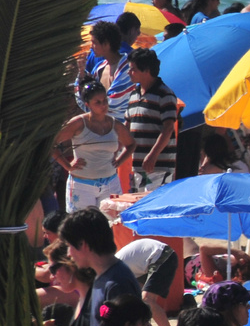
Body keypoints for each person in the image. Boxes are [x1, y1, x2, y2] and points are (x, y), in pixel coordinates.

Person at [53, 207, 141, 326]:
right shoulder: (103, 277)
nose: (69, 254)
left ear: (83, 244)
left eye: (70, 246)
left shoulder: (117, 283)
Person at [55, 82, 133, 211]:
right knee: (82, 226)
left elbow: (131, 144)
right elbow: (52, 144)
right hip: (82, 185)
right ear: (88, 104)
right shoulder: (78, 123)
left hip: (110, 183)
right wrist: (67, 165)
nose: (103, 105)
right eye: (98, 102)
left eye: (105, 101)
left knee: (111, 226)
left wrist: (119, 161)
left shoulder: (115, 124)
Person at [125, 48, 179, 189]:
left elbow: (168, 128)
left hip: (159, 167)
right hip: (138, 166)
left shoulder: (164, 94)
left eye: (133, 69)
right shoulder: (133, 95)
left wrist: (152, 155)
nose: (129, 73)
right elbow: (127, 126)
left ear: (146, 70)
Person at [115, 237, 182, 326]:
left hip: (161, 255)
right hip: (147, 261)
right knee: (136, 301)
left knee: (147, 299)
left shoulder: (112, 273)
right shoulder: (113, 270)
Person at [80, 19, 135, 122]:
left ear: (106, 44)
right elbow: (88, 97)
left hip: (123, 130)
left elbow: (109, 105)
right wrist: (81, 72)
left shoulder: (128, 70)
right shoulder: (99, 68)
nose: (91, 47)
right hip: (102, 130)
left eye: (94, 43)